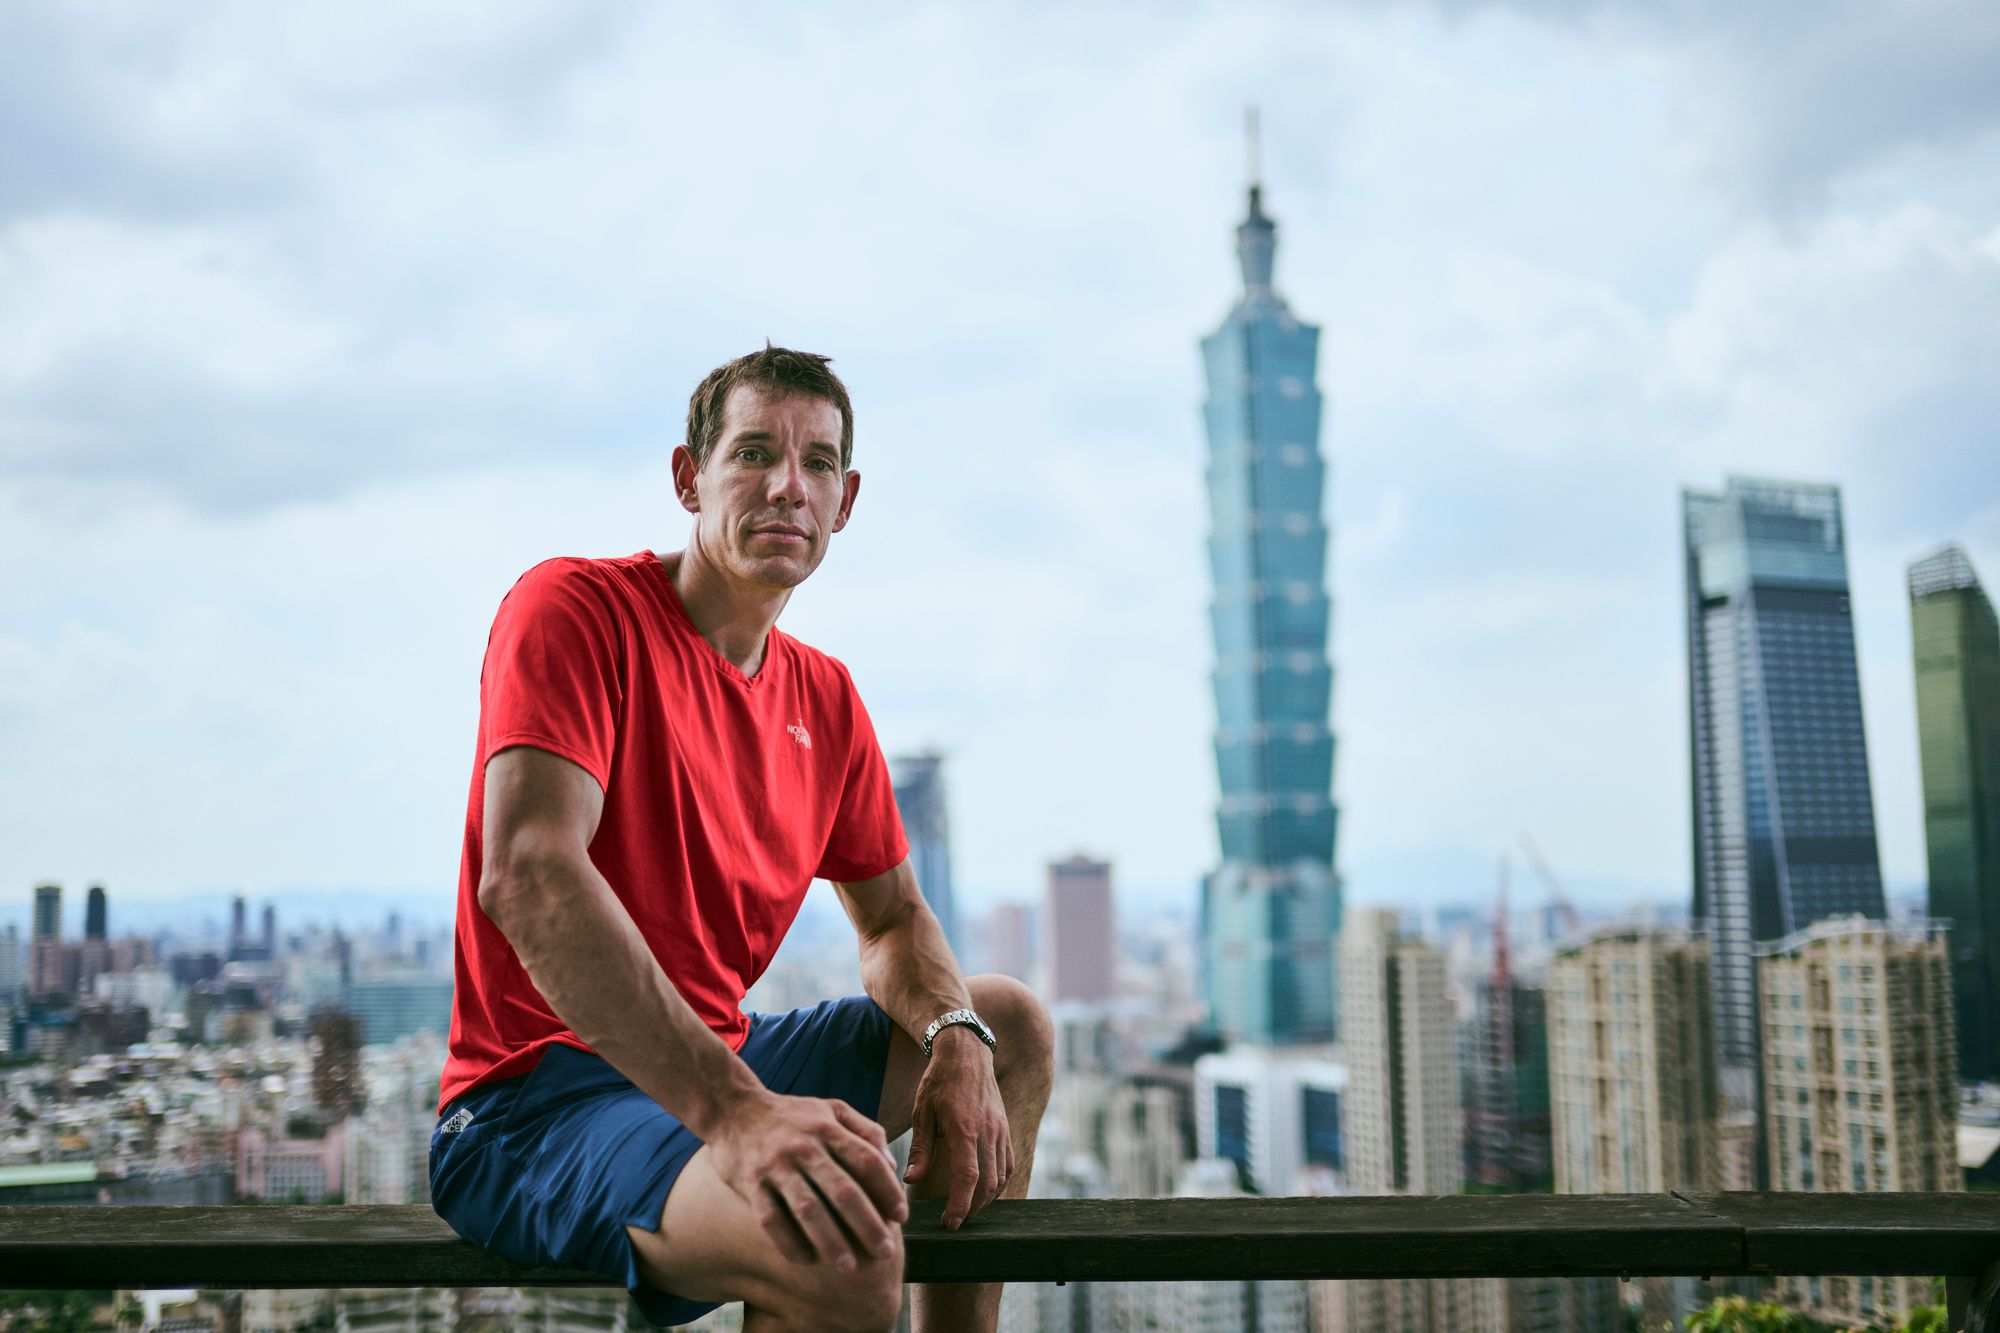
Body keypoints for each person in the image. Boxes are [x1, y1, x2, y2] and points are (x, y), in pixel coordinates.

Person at [429, 346, 1054, 1332]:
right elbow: (530, 874)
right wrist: (737, 1115)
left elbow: (893, 917)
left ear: (844, 501)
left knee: (1005, 1022)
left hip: (722, 1061)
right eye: (754, 452)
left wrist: (953, 1034)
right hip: (537, 1102)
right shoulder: (575, 610)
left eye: (816, 463)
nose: (786, 486)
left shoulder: (825, 696)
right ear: (689, 477)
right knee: (837, 1246)